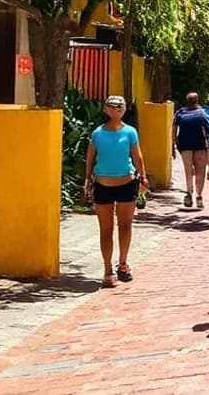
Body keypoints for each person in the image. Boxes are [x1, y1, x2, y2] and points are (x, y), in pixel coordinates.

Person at [83, 95, 149, 287]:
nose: (116, 109)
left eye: (120, 106)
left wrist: (143, 176)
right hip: (103, 184)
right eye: (112, 106)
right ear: (106, 110)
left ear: (125, 109)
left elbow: (137, 156)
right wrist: (87, 180)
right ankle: (107, 269)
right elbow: (90, 157)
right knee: (106, 229)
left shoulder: (130, 132)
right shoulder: (97, 133)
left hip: (126, 183)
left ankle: (123, 263)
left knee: (125, 225)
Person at [173, 92, 209, 209]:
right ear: (197, 100)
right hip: (199, 144)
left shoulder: (180, 113)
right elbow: (208, 130)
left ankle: (189, 193)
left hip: (185, 145)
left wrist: (173, 146)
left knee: (188, 170)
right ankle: (199, 197)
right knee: (200, 171)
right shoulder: (202, 113)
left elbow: (173, 130)